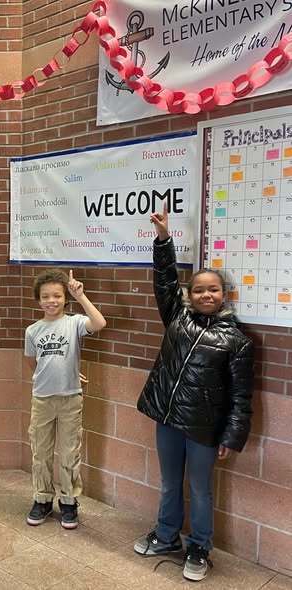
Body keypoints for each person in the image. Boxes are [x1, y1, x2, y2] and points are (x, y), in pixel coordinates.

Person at [133, 203, 254, 582]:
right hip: (168, 419)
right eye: (199, 289)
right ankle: (167, 536)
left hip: (203, 429)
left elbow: (240, 396)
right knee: (170, 482)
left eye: (213, 289)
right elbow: (165, 281)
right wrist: (163, 239)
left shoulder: (236, 341)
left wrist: (232, 437)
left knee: (199, 489)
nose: (205, 294)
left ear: (224, 295)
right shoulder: (177, 318)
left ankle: (199, 547)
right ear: (190, 294)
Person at [24, 269, 106, 529]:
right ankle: (42, 499)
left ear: (64, 298)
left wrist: (80, 296)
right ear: (38, 300)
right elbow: (33, 361)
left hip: (70, 399)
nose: (52, 301)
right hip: (42, 400)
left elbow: (99, 323)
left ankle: (69, 501)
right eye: (46, 296)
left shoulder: (74, 322)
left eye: (57, 296)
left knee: (70, 453)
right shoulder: (33, 330)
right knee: (41, 453)